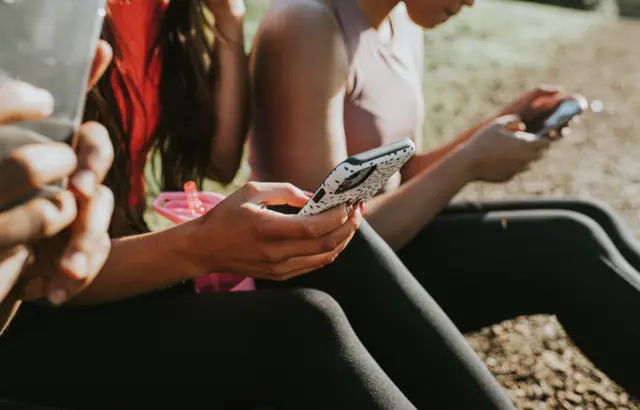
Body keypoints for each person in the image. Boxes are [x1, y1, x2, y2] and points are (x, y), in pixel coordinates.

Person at [0, 1, 514, 409]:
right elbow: (39, 276)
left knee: (316, 241)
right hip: (34, 320)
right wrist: (197, 248)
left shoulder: (163, 12)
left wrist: (228, 22)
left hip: (103, 274)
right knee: (303, 328)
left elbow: (221, 161)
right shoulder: (45, 18)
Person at [249, 0, 640, 400]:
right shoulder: (309, 25)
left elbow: (405, 171)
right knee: (568, 245)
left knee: (591, 216)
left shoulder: (399, 19)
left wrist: (489, 133)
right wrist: (469, 162)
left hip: (387, 237)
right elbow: (320, 240)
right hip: (331, 273)